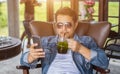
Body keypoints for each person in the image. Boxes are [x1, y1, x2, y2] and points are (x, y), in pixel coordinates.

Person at [20, 7, 109, 74]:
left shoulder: (86, 41)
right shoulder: (46, 42)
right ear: (55, 25)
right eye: (60, 25)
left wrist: (80, 48)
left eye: (68, 25)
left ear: (75, 24)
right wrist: (30, 57)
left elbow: (104, 62)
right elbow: (23, 60)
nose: (64, 29)